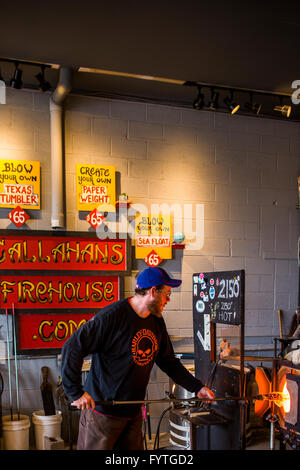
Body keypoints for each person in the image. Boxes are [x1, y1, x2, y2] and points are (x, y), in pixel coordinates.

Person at [61, 266, 215, 450]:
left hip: (132, 413)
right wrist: (75, 392)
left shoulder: (156, 320)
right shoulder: (112, 317)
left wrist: (197, 387)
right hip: (102, 414)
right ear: (153, 291)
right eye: (166, 293)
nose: (168, 299)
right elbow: (72, 346)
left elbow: (168, 361)